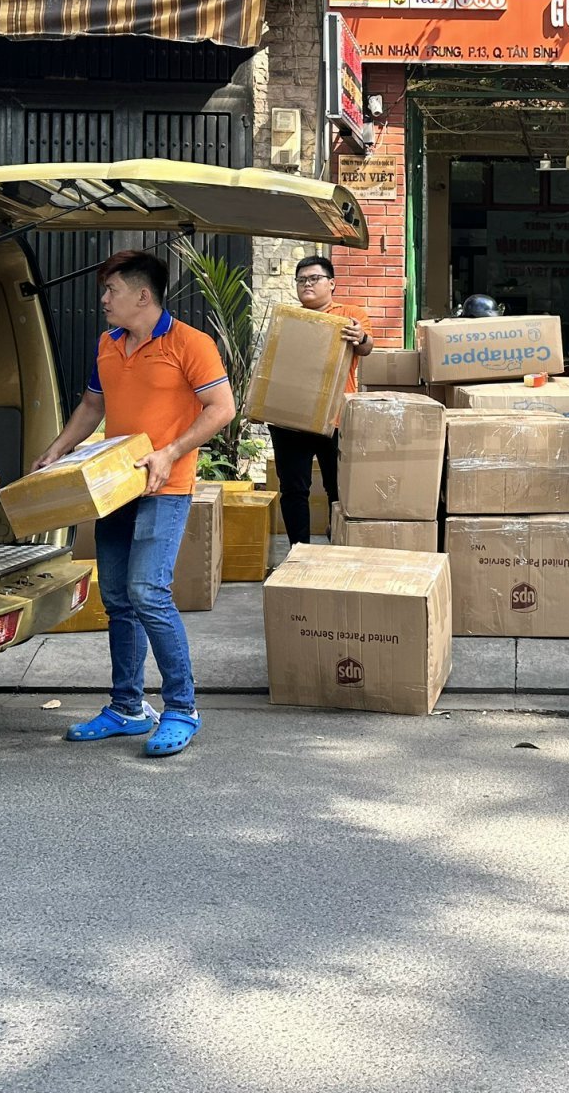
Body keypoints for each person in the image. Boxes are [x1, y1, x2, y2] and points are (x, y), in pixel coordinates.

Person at [38, 249, 234, 758]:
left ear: (143, 296)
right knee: (118, 599)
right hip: (116, 487)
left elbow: (222, 408)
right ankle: (127, 706)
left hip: (165, 487)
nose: (103, 300)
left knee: (148, 592)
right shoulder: (108, 344)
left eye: (112, 291)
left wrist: (170, 452)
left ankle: (182, 708)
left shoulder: (190, 343)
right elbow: (92, 405)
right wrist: (58, 450)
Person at [268, 254, 371, 546]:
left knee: (338, 488)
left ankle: (337, 546)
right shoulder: (289, 319)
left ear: (332, 283)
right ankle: (298, 551)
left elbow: (366, 348)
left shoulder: (350, 315)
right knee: (293, 489)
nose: (307, 284)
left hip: (334, 418)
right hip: (289, 419)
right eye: (301, 280)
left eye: (314, 278)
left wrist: (361, 337)